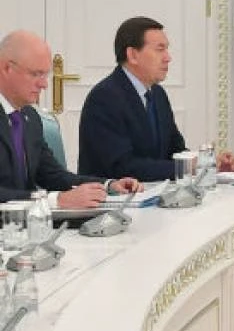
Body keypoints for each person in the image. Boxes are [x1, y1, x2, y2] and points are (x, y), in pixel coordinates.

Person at [78, 17, 234, 181]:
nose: (168, 58)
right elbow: (123, 167)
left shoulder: (157, 94)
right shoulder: (104, 98)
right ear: (132, 55)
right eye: (160, 49)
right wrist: (189, 166)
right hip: (113, 195)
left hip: (154, 191)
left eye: (166, 49)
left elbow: (175, 151)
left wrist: (208, 163)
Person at [0, 30, 140, 207]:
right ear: (6, 68)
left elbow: (53, 175)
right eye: (35, 74)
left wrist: (108, 185)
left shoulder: (30, 117)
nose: (44, 84)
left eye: (45, 75)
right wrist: (56, 201)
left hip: (27, 221)